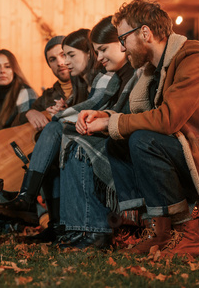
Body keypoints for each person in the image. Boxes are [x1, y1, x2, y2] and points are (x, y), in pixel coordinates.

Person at [82, 0, 199, 256]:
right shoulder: (152, 70)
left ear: (145, 33)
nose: (123, 48)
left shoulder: (194, 56)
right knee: (119, 141)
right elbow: (137, 118)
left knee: (143, 140)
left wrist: (113, 122)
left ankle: (187, 235)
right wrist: (105, 116)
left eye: (124, 39)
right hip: (192, 153)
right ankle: (155, 230)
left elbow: (168, 119)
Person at [0, 29, 101, 242]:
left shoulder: (86, 81)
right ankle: (55, 226)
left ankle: (27, 199)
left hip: (82, 144)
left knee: (50, 135)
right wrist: (29, 112)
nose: (60, 62)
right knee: (47, 147)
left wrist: (66, 111)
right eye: (52, 59)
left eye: (64, 55)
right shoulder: (49, 94)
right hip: (60, 150)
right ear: (48, 65)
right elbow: (15, 124)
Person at [54, 16, 138, 249]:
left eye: (102, 50)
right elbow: (109, 110)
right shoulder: (116, 78)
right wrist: (96, 117)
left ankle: (96, 231)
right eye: (96, 52)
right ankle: (77, 228)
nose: (99, 57)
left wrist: (103, 120)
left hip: (131, 145)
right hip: (118, 137)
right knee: (70, 140)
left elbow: (133, 116)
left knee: (77, 145)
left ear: (122, 44)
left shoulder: (134, 74)